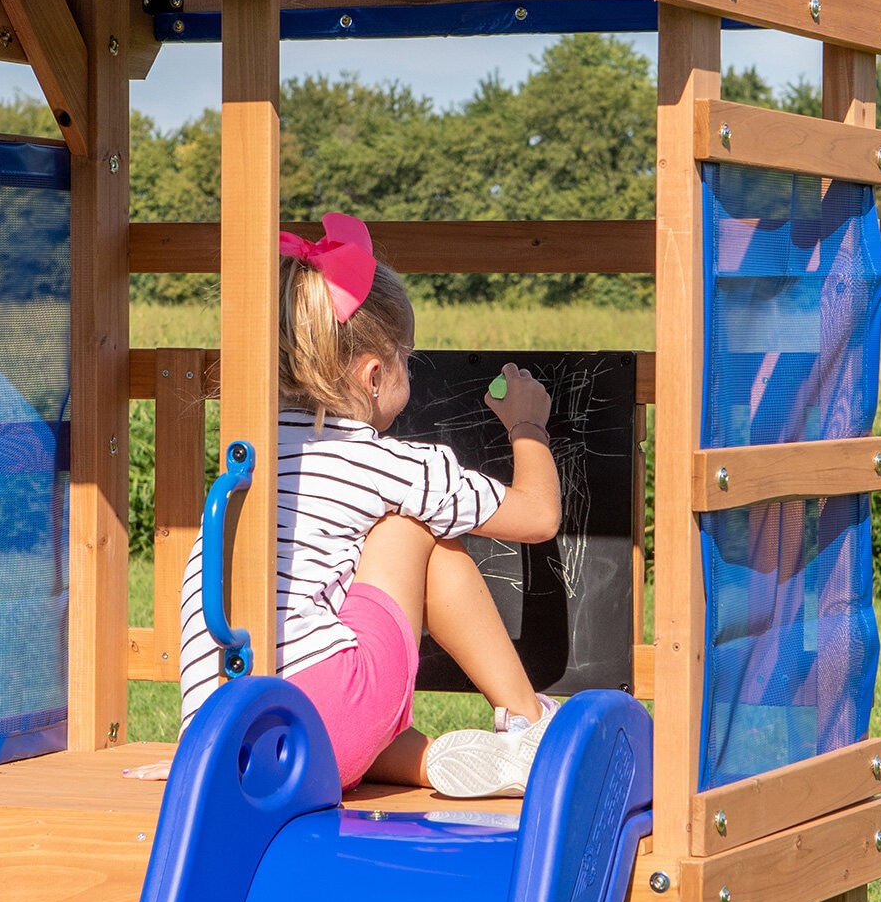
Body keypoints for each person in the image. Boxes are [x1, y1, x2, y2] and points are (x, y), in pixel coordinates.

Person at [127, 212, 561, 798]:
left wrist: (199, 753)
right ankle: (528, 722)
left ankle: (431, 762)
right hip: (332, 706)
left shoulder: (249, 462)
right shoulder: (386, 466)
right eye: (408, 358)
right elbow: (538, 516)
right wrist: (527, 422)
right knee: (412, 527)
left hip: (241, 742)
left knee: (326, 655)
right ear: (375, 375)